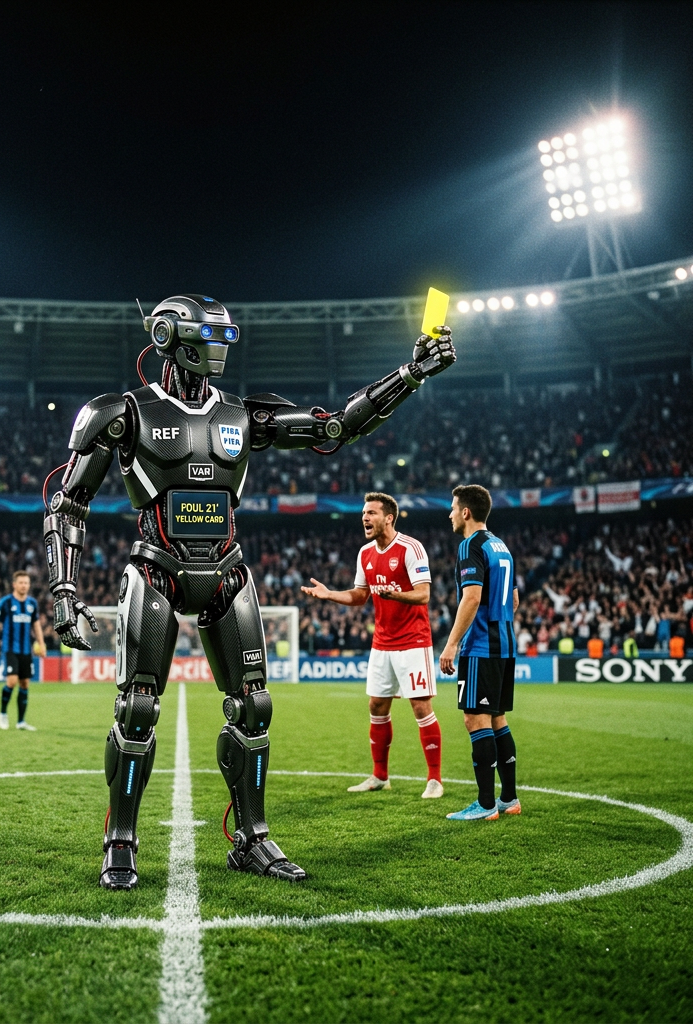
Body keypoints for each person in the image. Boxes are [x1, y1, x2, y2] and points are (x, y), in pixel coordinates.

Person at [43, 292, 456, 889]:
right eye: (209, 337)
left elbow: (335, 426)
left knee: (254, 708)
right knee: (136, 711)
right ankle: (121, 842)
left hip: (228, 571)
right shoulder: (121, 413)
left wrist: (411, 373)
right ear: (169, 337)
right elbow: (69, 502)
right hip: (155, 569)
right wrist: (62, 591)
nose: (218, 349)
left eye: (223, 337)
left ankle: (253, 838)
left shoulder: (241, 413)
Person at [302, 492, 443, 799]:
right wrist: (330, 595)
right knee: (377, 706)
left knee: (420, 706)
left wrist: (394, 594)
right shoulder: (365, 552)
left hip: (413, 641)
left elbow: (423, 595)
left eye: (371, 513)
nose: (364, 518)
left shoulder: (410, 548)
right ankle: (380, 776)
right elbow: (360, 595)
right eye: (364, 513)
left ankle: (434, 779)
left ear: (388, 518)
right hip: (382, 643)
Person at [439, 484, 520, 821]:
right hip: (505, 642)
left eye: (454, 508)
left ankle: (486, 804)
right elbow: (513, 600)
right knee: (497, 718)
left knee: (475, 718)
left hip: (481, 646)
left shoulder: (469, 545)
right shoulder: (502, 547)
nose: (450, 514)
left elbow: (471, 597)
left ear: (466, 512)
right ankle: (509, 799)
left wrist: (452, 643)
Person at [0, 570, 46, 731]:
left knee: (25, 683)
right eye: (21, 582)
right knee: (12, 681)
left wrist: (41, 644)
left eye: (26, 583)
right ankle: (3, 713)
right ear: (14, 584)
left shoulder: (32, 603)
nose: (24, 585)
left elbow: (36, 625)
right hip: (10, 648)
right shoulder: (5, 602)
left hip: (26, 650)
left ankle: (21, 721)